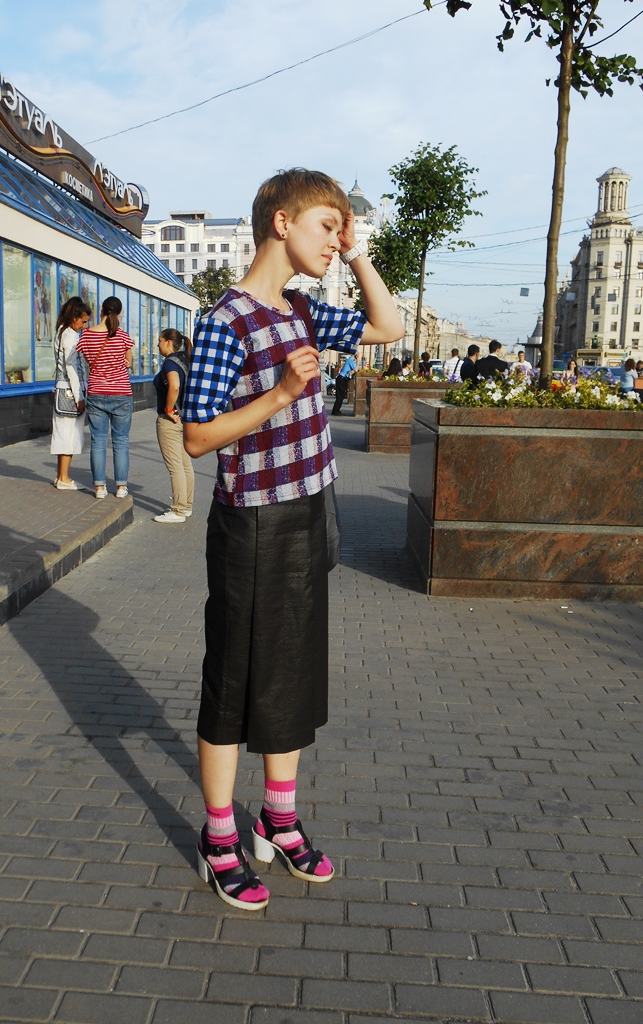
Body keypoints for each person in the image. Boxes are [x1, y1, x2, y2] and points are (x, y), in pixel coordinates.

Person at [181, 168, 405, 911]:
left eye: (342, 232)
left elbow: (388, 327)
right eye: (326, 228)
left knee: (293, 670)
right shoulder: (227, 321)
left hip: (309, 511)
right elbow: (197, 436)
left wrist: (361, 253)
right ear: (282, 223)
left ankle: (277, 820)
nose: (335, 243)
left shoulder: (304, 311)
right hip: (251, 522)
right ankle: (218, 835)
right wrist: (279, 394)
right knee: (234, 675)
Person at [77, 296, 134, 499]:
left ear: (100, 309)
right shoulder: (123, 336)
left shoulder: (86, 335)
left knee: (98, 441)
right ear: (120, 313)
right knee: (121, 441)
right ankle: (121, 488)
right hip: (121, 392)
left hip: (96, 391)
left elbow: (88, 360)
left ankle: (100, 488)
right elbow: (128, 361)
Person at [153, 328, 194, 523]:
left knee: (175, 466)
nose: (157, 344)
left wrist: (169, 409)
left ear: (168, 342)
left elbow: (174, 385)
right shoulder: (184, 360)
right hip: (184, 419)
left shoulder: (169, 362)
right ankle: (186, 506)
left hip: (170, 421)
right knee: (185, 465)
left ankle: (178, 510)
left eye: (160, 340)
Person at [51, 296, 91, 490]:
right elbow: (72, 369)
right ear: (74, 318)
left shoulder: (60, 332)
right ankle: (65, 478)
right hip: (70, 391)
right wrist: (80, 397)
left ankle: (61, 476)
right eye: (83, 322)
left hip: (61, 389)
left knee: (62, 434)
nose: (84, 326)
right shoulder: (71, 337)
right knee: (69, 436)